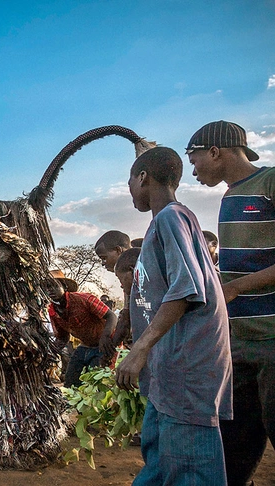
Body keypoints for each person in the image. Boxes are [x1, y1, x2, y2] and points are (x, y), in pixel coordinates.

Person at [116, 146, 232, 485]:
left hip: (187, 371)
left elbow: (186, 288)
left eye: (130, 180)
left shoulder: (171, 217)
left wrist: (140, 348)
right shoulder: (165, 222)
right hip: (168, 373)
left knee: (190, 468)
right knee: (159, 463)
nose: (129, 189)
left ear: (142, 178)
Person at [187, 120, 275, 486]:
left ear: (215, 152)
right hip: (237, 344)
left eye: (194, 160)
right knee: (232, 452)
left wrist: (236, 288)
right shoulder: (229, 196)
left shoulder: (269, 182)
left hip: (272, 340)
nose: (192, 171)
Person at [46, 269, 117, 387]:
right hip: (85, 346)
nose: (50, 290)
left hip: (105, 345)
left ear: (64, 287)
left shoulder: (83, 299)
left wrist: (105, 337)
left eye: (54, 286)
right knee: (70, 383)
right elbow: (63, 338)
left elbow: (111, 316)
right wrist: (50, 353)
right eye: (47, 287)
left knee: (96, 383)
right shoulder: (53, 311)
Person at [95, 230, 132, 347]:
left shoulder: (141, 271)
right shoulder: (127, 280)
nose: (103, 263)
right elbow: (126, 316)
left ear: (118, 250)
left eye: (104, 258)